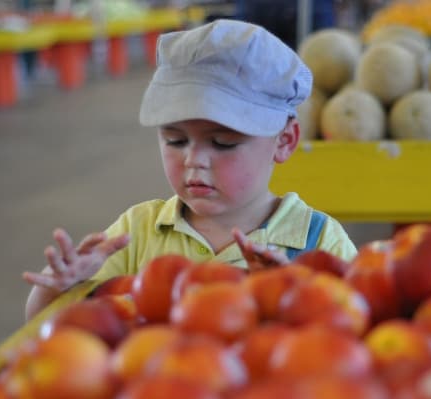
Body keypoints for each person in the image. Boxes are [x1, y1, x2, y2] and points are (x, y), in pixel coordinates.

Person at [22, 19, 357, 321]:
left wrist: (288, 297)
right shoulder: (136, 233)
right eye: (175, 140)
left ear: (284, 141)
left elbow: (354, 336)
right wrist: (62, 288)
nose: (194, 159)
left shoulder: (320, 242)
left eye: (223, 143)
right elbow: (47, 327)